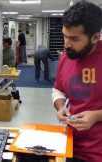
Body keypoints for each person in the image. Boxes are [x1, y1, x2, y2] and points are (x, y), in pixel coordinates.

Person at [52, 1, 102, 162]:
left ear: (95, 37)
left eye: (74, 39)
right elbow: (58, 90)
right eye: (65, 36)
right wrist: (61, 108)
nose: (66, 44)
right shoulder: (66, 56)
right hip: (72, 147)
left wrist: (97, 116)